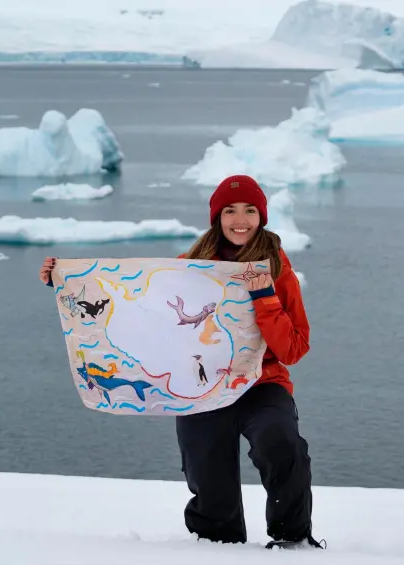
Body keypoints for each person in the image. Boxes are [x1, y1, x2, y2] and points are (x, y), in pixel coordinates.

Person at [37, 174, 322, 550]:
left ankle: (293, 539)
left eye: (250, 210)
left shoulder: (276, 268)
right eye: (230, 211)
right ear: (217, 218)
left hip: (260, 384)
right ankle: (217, 548)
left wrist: (264, 296)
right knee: (209, 477)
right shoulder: (191, 266)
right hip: (199, 386)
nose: (241, 220)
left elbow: (294, 349)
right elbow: (138, 304)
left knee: (280, 442)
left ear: (262, 216)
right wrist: (66, 282)